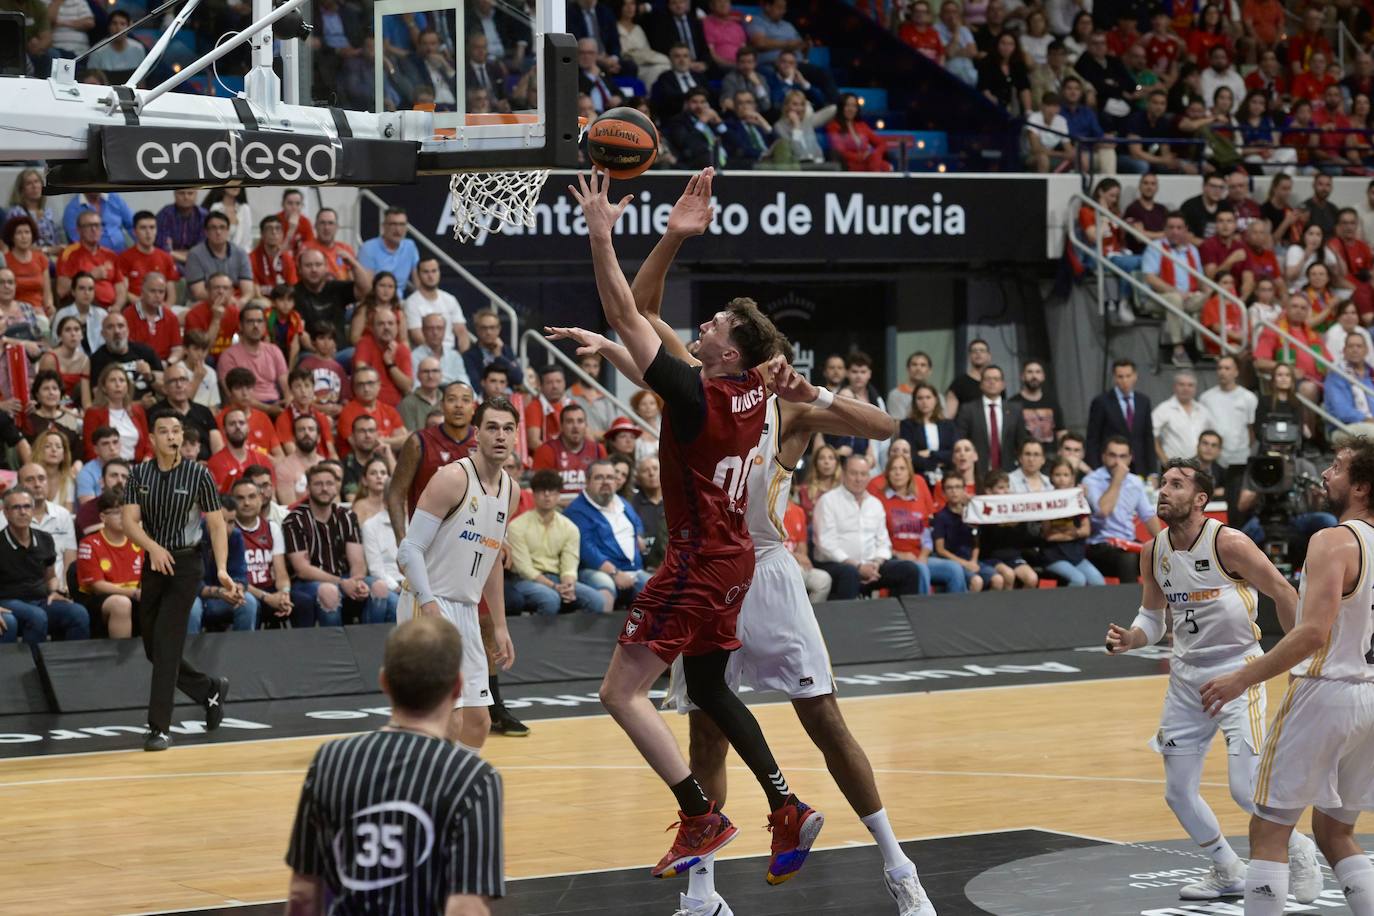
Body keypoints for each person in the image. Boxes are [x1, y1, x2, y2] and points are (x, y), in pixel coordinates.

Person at [571, 168, 826, 890]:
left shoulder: (697, 391)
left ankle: (698, 812)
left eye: (712, 326)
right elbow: (649, 345)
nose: (702, 326)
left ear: (729, 353)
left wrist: (601, 235)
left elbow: (629, 312)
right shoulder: (749, 390)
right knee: (711, 688)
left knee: (619, 694)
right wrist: (670, 243)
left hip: (695, 561)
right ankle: (785, 804)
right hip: (733, 559)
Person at [1107, 457, 1322, 903]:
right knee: (1178, 793)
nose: (1164, 490)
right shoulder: (1153, 551)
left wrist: (1298, 657)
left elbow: (1284, 592)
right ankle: (1227, 869)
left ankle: (1300, 848)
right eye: (1163, 483)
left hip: (1239, 672)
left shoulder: (1229, 543)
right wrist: (1132, 637)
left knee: (1245, 789)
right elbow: (1153, 620)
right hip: (1187, 682)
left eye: (1177, 484)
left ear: (1200, 499)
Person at [1199, 441, 1374, 915]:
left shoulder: (1333, 540)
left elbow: (1313, 633)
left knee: (1269, 831)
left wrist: (1242, 678)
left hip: (1328, 691)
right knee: (1335, 831)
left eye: (1336, 467)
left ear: (1361, 487)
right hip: (1372, 695)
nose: (1325, 474)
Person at [283, 617, 505, 914]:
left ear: (384, 682)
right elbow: (466, 908)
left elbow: (302, 894)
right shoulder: (475, 778)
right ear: (458, 687)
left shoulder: (330, 760)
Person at [396, 397, 519, 750]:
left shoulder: (511, 491)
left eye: (508, 429)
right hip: (428, 602)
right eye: (492, 427)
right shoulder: (452, 478)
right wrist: (428, 603)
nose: (500, 435)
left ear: (516, 436)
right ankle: (425, 781)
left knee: (478, 723)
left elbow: (492, 561)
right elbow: (409, 550)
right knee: (446, 719)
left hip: (466, 609)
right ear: (477, 433)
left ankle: (453, 781)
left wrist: (500, 625)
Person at [122, 414, 232, 751]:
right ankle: (208, 689)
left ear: (182, 437)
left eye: (176, 431)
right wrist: (152, 548)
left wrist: (222, 569)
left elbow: (216, 525)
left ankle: (159, 728)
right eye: (164, 431)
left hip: (186, 564)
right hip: (155, 563)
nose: (171, 437)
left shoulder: (199, 474)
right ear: (152, 439)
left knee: (167, 646)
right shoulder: (138, 474)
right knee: (153, 648)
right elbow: (129, 521)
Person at [284, 463, 387, 628]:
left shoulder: (347, 516)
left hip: (344, 577)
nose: (324, 488)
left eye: (329, 483)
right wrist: (341, 582)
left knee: (379, 587)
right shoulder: (295, 519)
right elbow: (302, 569)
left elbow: (358, 563)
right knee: (329, 591)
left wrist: (356, 582)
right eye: (318, 484)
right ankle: (334, 643)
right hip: (307, 583)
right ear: (308, 488)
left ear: (336, 487)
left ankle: (370, 640)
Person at [506, 469, 604, 615]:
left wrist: (568, 585)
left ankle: (574, 631)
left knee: (596, 600)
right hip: (524, 581)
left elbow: (569, 564)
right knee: (550, 599)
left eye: (552, 491)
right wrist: (553, 586)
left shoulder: (569, 527)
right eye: (541, 490)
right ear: (533, 494)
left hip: (558, 578)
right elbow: (524, 569)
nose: (547, 495)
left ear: (558, 495)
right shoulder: (517, 526)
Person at [564, 459, 651, 612]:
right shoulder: (577, 511)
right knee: (606, 589)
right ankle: (602, 628)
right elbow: (587, 550)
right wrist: (615, 573)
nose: (606, 482)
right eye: (599, 477)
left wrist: (639, 536)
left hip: (633, 569)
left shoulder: (621, 502)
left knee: (661, 591)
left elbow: (637, 523)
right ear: (587, 481)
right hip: (596, 570)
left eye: (610, 477)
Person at [1084, 436, 1163, 583]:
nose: (1117, 461)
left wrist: (1164, 543)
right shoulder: (1091, 481)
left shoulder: (1135, 482)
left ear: (1130, 458)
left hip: (1128, 542)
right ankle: (1130, 598)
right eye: (1112, 455)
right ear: (1103, 456)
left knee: (1163, 557)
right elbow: (1103, 511)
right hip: (1100, 545)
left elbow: (1148, 516)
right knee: (1128, 560)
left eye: (1122, 456)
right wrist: (1117, 480)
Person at [1143, 212, 1209, 369]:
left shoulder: (1192, 250)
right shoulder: (1155, 247)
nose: (1175, 231)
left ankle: (1206, 349)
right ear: (1165, 229)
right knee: (1175, 299)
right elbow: (1150, 278)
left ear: (1186, 230)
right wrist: (1176, 292)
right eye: (1171, 227)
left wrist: (1209, 292)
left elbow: (1200, 279)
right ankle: (1178, 349)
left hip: (1187, 297)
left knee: (1212, 297)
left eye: (1179, 228)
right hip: (1158, 299)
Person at [75, 490, 141, 637]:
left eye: (127, 512)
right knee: (121, 603)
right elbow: (98, 587)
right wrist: (133, 593)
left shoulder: (139, 541)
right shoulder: (89, 544)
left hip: (134, 596)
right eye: (117, 512)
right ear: (103, 517)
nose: (124, 517)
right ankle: (121, 652)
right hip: (100, 600)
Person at [229, 477, 292, 627]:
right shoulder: (228, 530)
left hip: (268, 588)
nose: (246, 503)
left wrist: (284, 594)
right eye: (240, 498)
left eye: (252, 497)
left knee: (301, 602)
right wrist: (268, 598)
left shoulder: (272, 528)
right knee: (251, 604)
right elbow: (233, 579)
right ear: (232, 502)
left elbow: (281, 573)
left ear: (260, 499)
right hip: (241, 590)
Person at [1038, 457, 1102, 587]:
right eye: (1057, 475)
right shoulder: (1046, 500)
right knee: (1078, 579)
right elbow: (1048, 535)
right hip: (1053, 557)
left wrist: (1063, 533)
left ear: (1072, 477)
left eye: (1066, 475)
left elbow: (1086, 530)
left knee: (1098, 581)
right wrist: (1073, 533)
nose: (1062, 479)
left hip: (1076, 556)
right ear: (1051, 477)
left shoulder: (1079, 500)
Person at [1087, 359, 1156, 477]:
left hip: (1139, 465)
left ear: (1135, 376)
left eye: (1128, 376)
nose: (1125, 380)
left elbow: (1148, 437)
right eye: (1120, 376)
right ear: (1114, 378)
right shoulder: (1101, 402)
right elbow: (1093, 439)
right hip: (1112, 465)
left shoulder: (1143, 401)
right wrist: (1095, 469)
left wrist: (1152, 471)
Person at [954, 364, 1026, 476]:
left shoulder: (1015, 409)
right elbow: (961, 440)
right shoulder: (968, 409)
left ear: (1003, 384)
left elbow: (1021, 441)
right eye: (988, 379)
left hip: (1009, 472)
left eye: (996, 379)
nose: (992, 382)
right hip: (977, 472)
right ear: (981, 384)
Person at [932, 473, 997, 591]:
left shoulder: (971, 513)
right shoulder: (941, 517)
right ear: (943, 492)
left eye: (958, 487)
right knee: (976, 581)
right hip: (953, 562)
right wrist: (965, 564)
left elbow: (976, 541)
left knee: (998, 579)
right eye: (949, 488)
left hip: (972, 560)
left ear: (964, 490)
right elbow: (940, 549)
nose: (954, 491)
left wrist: (973, 561)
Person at [531, 402, 605, 503]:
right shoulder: (546, 450)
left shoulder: (598, 449)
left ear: (586, 425)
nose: (575, 426)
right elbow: (540, 491)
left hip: (591, 505)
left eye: (580, 421)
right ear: (561, 426)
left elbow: (604, 485)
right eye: (570, 421)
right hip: (556, 506)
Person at [57, 210, 127, 312]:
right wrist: (91, 276)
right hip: (84, 309)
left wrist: (117, 306)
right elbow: (61, 290)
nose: (93, 229)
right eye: (88, 226)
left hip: (111, 309)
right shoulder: (68, 254)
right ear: (79, 230)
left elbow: (120, 288)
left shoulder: (111, 255)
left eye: (97, 225)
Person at [183, 212, 254, 302]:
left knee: (259, 307)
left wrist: (242, 302)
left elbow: (248, 291)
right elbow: (198, 292)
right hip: (204, 302)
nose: (218, 232)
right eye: (213, 228)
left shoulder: (241, 253)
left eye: (222, 227)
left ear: (228, 231)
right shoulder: (195, 254)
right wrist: (227, 300)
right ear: (206, 232)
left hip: (236, 301)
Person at [1153, 371, 1219, 464]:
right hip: (1174, 465)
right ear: (1174, 387)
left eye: (1190, 385)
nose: (1186, 388)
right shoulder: (1163, 409)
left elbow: (1213, 435)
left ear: (1195, 388)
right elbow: (1152, 436)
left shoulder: (1203, 411)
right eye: (1182, 384)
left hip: (1199, 465)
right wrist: (1164, 460)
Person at [898, 383, 954, 483]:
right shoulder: (907, 425)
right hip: (919, 477)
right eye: (920, 398)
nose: (924, 402)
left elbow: (952, 454)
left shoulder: (948, 425)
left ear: (936, 399)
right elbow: (911, 456)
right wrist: (936, 463)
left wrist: (931, 453)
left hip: (946, 477)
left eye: (928, 397)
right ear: (914, 401)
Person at [359, 207, 421, 294]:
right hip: (375, 298)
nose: (397, 229)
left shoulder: (410, 246)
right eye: (393, 224)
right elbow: (367, 288)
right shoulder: (368, 248)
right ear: (384, 226)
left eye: (402, 224)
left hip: (400, 300)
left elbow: (419, 282)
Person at [945, 338, 990, 418]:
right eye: (974, 351)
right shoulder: (958, 383)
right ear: (969, 356)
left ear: (989, 356)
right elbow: (948, 416)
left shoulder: (996, 384)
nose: (978, 353)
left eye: (982, 350)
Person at [887, 351, 931, 422]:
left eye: (923, 365)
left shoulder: (937, 396)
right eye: (914, 364)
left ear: (929, 370)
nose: (918, 368)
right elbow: (898, 424)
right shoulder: (895, 395)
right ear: (908, 369)